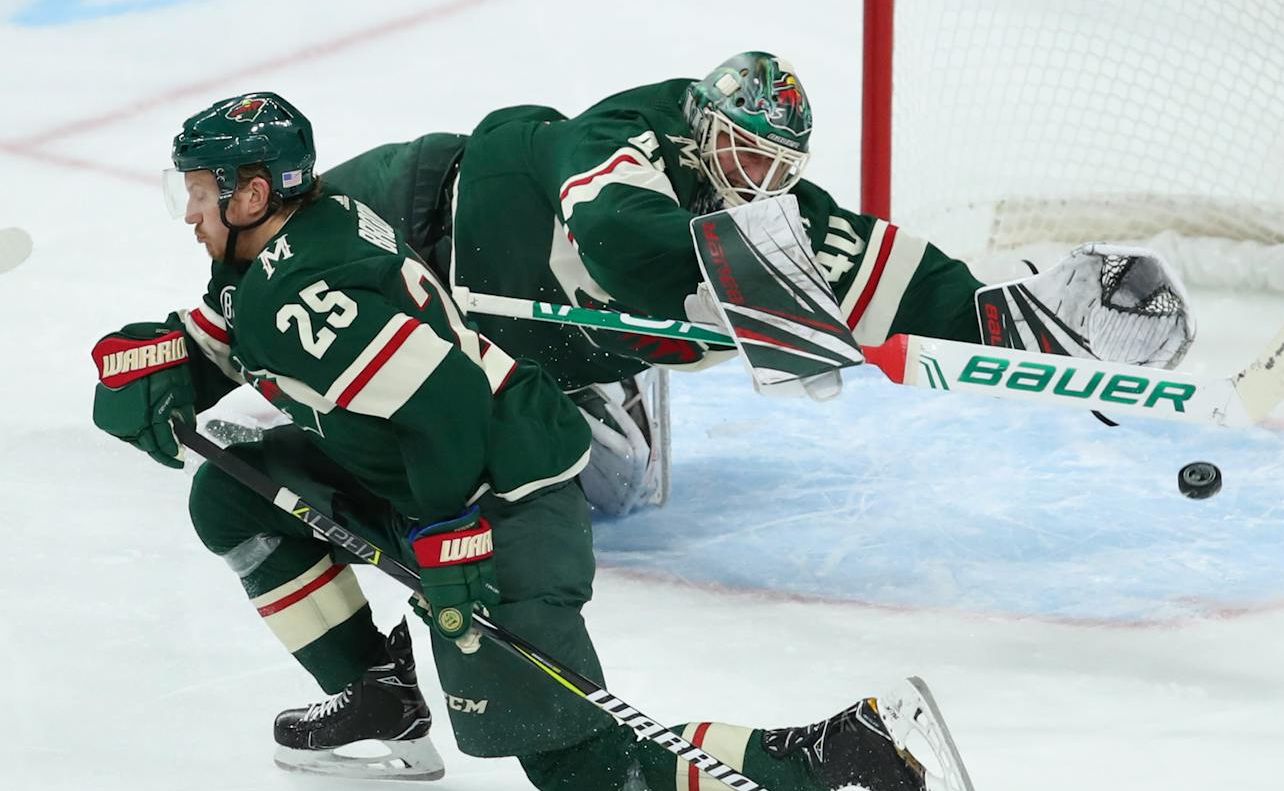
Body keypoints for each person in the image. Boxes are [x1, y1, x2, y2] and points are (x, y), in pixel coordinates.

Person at [90, 90, 973, 791]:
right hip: (426, 471)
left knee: (592, 780)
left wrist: (450, 538)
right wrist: (148, 361)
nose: (190, 211)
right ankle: (377, 692)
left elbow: (442, 406)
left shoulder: (296, 288)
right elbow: (232, 329)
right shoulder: (302, 230)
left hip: (503, 495)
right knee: (231, 494)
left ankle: (847, 744)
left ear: (249, 197)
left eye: (200, 192)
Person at [318, 52, 1197, 513]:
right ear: (703, 128)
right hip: (411, 224)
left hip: (537, 345)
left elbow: (888, 275)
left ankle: (588, 387)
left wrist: (1013, 329)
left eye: (777, 165)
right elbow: (620, 238)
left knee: (612, 494)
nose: (756, 177)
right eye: (742, 151)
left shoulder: (774, 207)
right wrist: (769, 292)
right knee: (271, 317)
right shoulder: (625, 135)